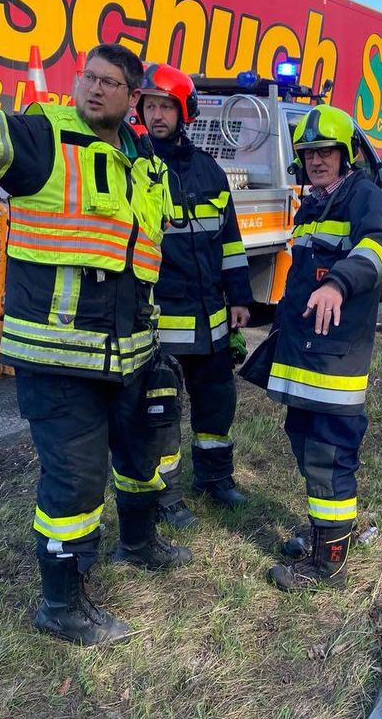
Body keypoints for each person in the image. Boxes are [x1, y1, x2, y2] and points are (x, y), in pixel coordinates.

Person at [0, 43, 191, 646]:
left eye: (110, 82)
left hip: (132, 355)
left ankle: (139, 543)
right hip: (58, 360)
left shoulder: (147, 166)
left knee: (141, 458)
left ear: (133, 98)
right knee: (76, 483)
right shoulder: (42, 141)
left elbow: (147, 258)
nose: (94, 89)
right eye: (88, 77)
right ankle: (61, 606)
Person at [262, 104, 382, 591]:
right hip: (305, 352)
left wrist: (338, 283)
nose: (316, 161)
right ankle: (326, 533)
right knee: (303, 439)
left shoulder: (362, 195)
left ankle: (328, 564)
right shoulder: (314, 203)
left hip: (335, 359)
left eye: (326, 152)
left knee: (328, 453)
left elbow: (379, 250)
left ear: (346, 154)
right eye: (309, 153)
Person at [136, 63, 252, 526]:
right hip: (160, 319)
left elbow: (230, 242)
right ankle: (166, 497)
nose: (157, 115)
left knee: (218, 401)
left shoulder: (209, 170)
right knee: (160, 410)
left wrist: (239, 297)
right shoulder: (135, 166)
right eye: (150, 106)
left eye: (166, 106)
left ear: (185, 111)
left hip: (211, 320)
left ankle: (215, 479)